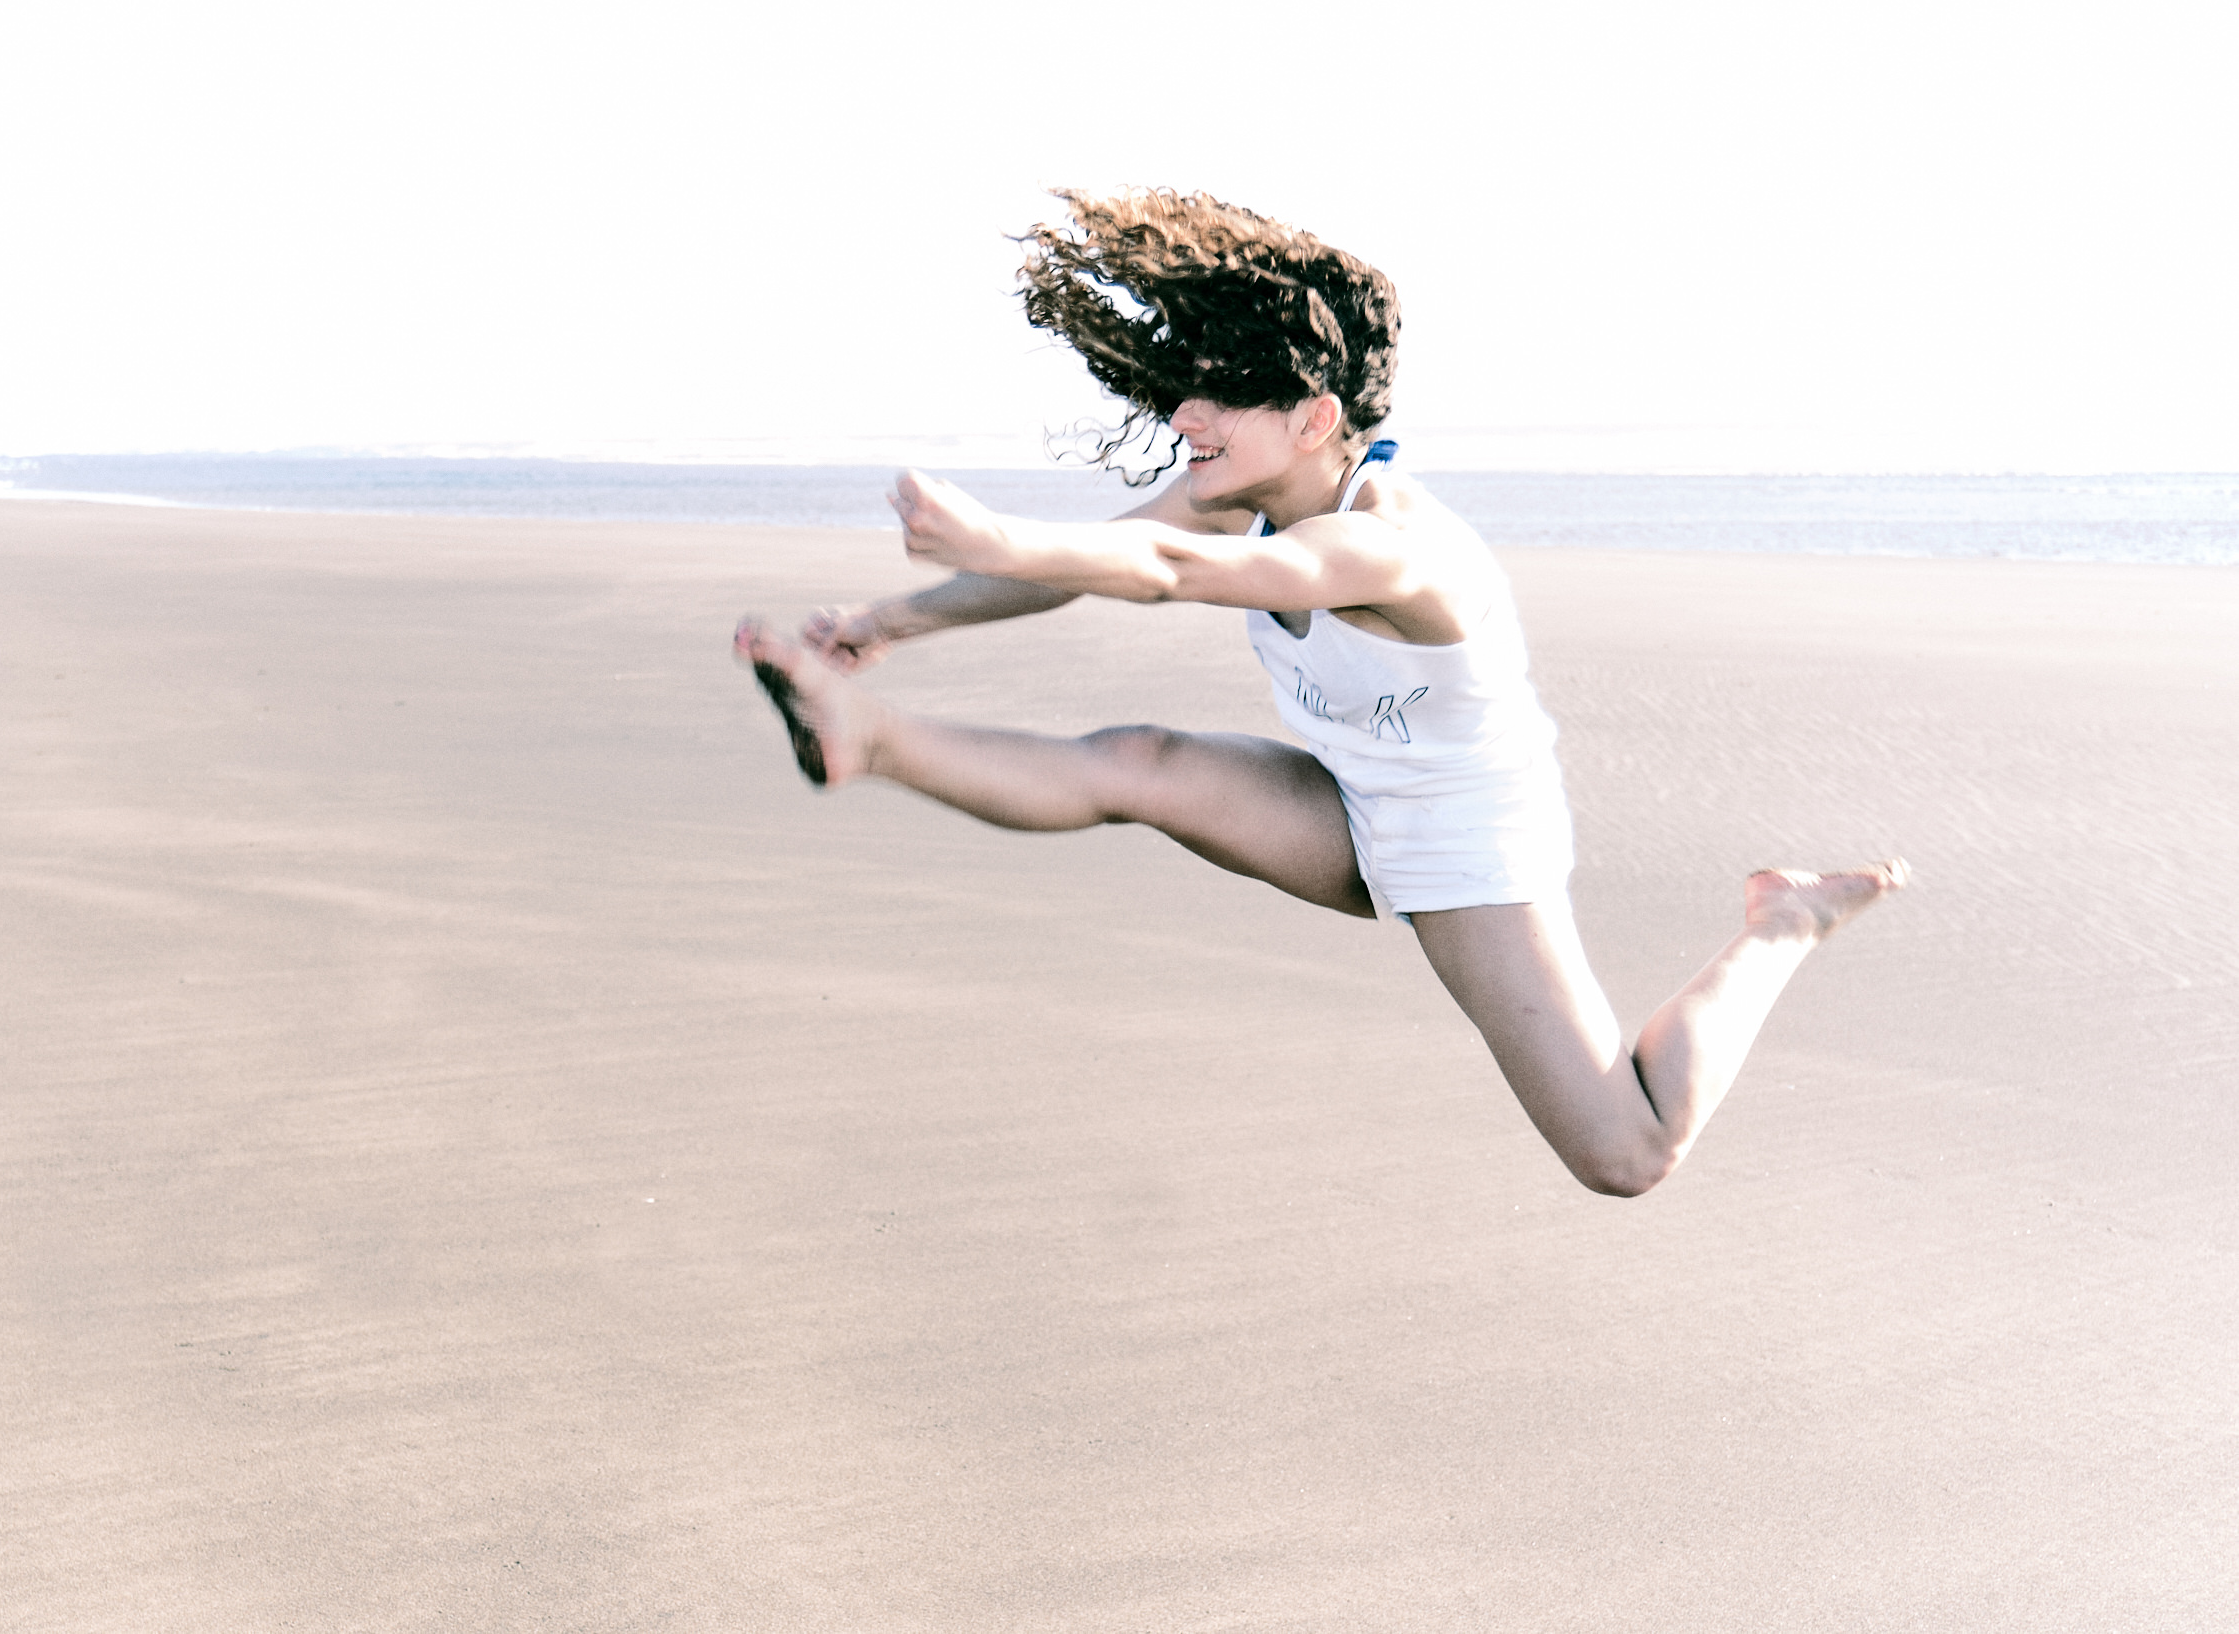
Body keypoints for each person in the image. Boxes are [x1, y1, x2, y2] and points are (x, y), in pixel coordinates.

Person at [734, 188, 1905, 1197]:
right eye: (1184, 393)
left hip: (1466, 848)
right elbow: (1089, 567)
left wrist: (996, 535)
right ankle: (866, 734)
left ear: (1314, 418)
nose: (1184, 419)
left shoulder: (1395, 548)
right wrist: (880, 628)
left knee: (1625, 1151)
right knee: (1140, 761)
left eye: (1219, 399)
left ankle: (1782, 923)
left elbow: (1166, 574)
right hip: (1348, 802)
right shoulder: (1236, 493)